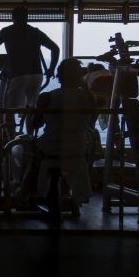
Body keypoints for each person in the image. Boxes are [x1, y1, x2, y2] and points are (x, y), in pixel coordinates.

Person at [18, 59, 99, 214]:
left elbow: (36, 125)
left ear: (58, 76)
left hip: (52, 147)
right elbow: (91, 122)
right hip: (77, 147)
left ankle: (23, 194)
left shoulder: (47, 97)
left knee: (36, 160)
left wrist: (33, 114)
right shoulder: (89, 98)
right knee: (71, 162)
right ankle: (69, 196)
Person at [0, 6, 60, 123]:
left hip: (18, 74)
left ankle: (11, 140)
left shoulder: (7, 31)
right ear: (26, 17)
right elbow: (55, 48)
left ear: (13, 17)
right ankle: (29, 137)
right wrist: (51, 69)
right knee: (31, 109)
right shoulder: (35, 32)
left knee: (8, 111)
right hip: (36, 75)